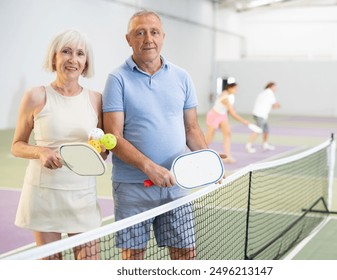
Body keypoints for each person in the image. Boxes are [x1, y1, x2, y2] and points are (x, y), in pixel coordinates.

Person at [102, 10, 211, 260]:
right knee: (133, 259)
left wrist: (207, 162)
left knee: (186, 254)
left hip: (176, 184)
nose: (147, 38)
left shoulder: (182, 77)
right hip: (132, 188)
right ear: (128, 39)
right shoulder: (116, 79)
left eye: (153, 32)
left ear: (163, 36)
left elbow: (191, 128)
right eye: (139, 33)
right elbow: (114, 135)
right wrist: (149, 168)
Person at [11, 29, 105, 260]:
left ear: (86, 63)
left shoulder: (96, 100)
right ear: (54, 58)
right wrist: (40, 151)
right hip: (44, 195)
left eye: (80, 54)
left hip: (82, 196)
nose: (73, 59)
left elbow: (102, 154)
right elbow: (17, 145)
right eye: (66, 52)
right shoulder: (36, 96)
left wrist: (100, 149)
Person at [205, 82, 251, 163]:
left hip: (222, 116)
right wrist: (244, 121)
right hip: (214, 116)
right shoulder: (225, 97)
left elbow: (228, 109)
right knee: (209, 139)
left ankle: (227, 156)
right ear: (229, 88)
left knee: (228, 134)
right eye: (235, 89)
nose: (236, 90)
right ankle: (200, 154)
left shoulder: (227, 96)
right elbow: (233, 113)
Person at [246, 82, 281, 153]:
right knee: (258, 130)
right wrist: (278, 105)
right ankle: (248, 146)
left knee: (266, 130)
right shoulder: (269, 93)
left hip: (260, 114)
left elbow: (272, 105)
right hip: (260, 115)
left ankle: (265, 144)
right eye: (275, 87)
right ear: (271, 87)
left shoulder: (263, 93)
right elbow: (275, 105)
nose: (276, 89)